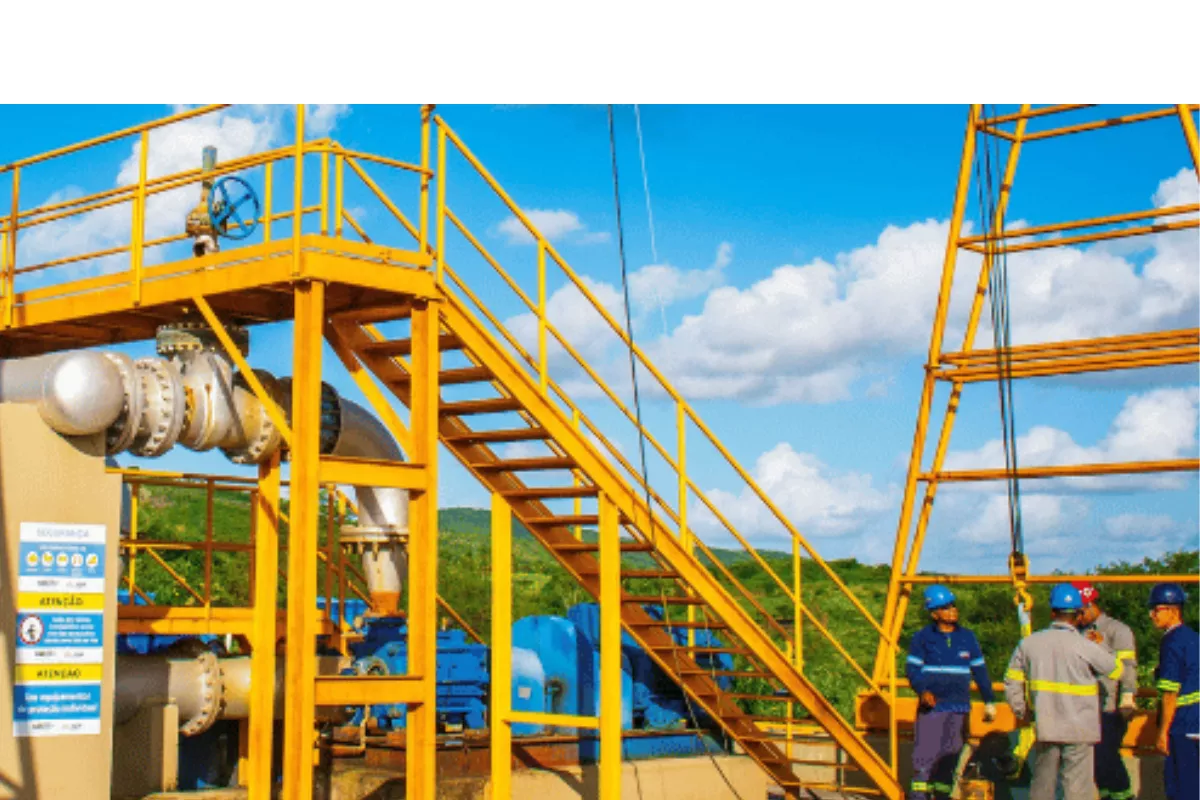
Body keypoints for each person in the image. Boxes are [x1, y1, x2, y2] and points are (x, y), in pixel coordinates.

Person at [1004, 583, 1121, 800]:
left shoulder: (1029, 644)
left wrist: (1022, 711)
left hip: (1046, 725)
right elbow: (1115, 669)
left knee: (1043, 786)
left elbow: (1012, 682)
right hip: (1080, 729)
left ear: (1052, 613)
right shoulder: (1085, 646)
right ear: (1078, 615)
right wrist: (1100, 645)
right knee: (1077, 789)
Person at [905, 584, 997, 800]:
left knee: (950, 758)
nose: (952, 610)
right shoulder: (922, 637)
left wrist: (989, 701)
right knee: (925, 758)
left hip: (958, 708)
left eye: (953, 606)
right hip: (933, 709)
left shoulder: (967, 637)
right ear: (934, 613)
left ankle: (942, 796)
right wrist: (923, 690)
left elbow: (980, 671)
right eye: (945, 607)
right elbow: (912, 669)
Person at [1073, 580, 1138, 800]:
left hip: (1109, 707)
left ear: (1090, 605)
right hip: (1084, 707)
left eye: (1080, 613)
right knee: (1094, 764)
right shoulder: (1075, 632)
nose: (1078, 618)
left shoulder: (1117, 630)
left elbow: (1128, 666)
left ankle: (1124, 796)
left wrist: (1127, 696)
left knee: (1106, 757)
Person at [1148, 582, 1198, 800]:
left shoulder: (1171, 642)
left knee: (1181, 788)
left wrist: (1162, 732)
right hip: (1196, 722)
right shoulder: (1193, 637)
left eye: (1156, 609)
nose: (1152, 615)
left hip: (1183, 724)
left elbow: (1170, 693)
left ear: (1174, 610)